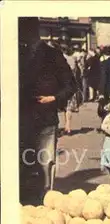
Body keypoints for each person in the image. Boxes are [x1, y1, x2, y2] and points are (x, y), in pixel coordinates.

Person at [19, 33, 76, 202]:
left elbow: (70, 85)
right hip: (19, 119)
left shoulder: (53, 55)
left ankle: (46, 200)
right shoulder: (16, 52)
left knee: (45, 163)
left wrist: (54, 98)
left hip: (45, 119)